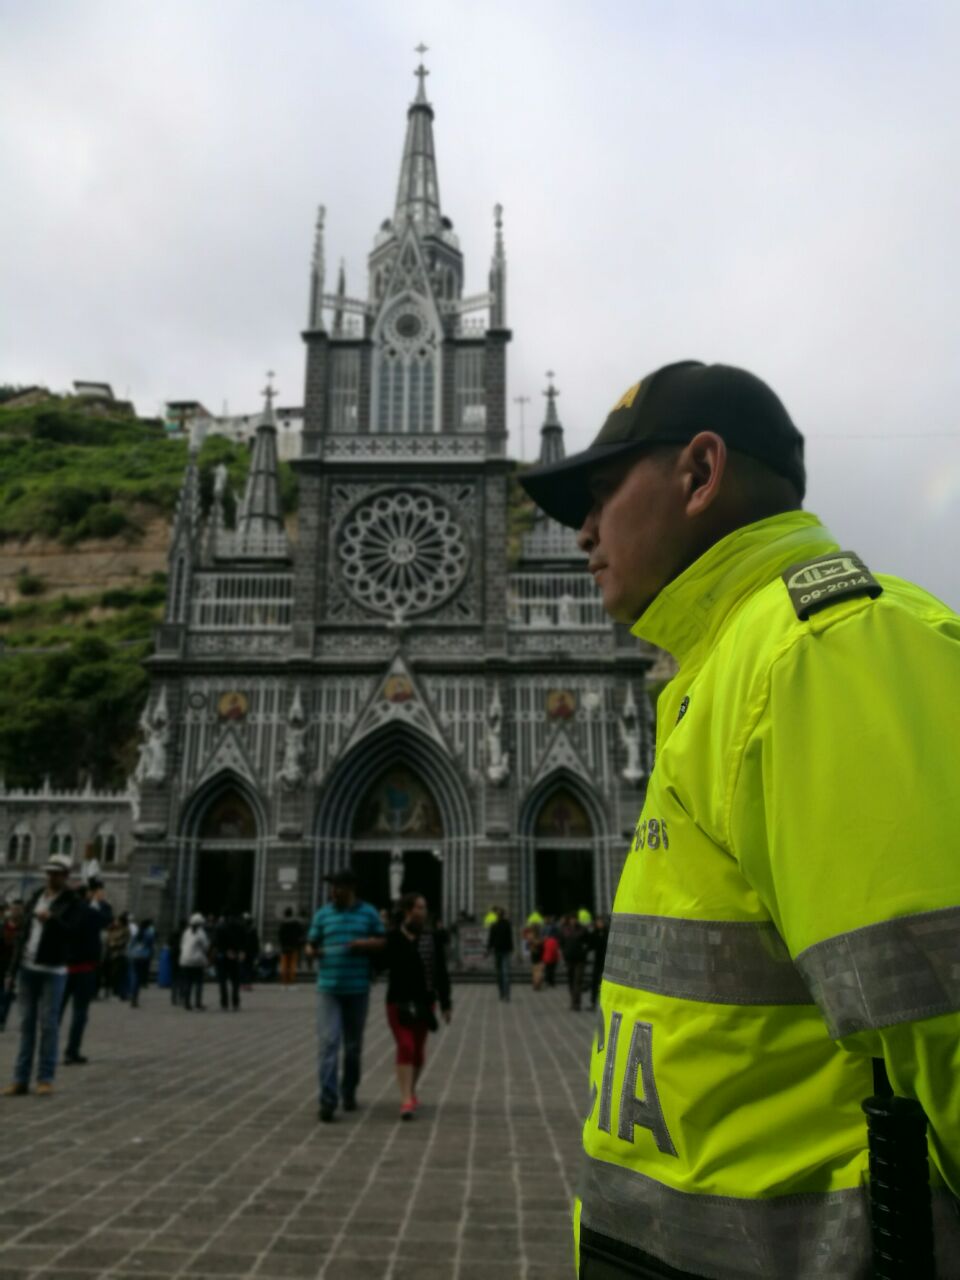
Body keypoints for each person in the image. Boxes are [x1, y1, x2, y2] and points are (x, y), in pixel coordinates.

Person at [520, 359, 960, 1277]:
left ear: (700, 472)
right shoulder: (721, 673)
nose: (583, 534)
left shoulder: (820, 653)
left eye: (601, 496)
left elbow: (944, 1017)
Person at [306, 868, 384, 1123]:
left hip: (357, 989)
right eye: (332, 887)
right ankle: (327, 1100)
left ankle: (348, 1090)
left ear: (350, 888)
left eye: (337, 886)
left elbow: (383, 941)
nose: (333, 891)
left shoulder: (369, 912)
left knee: (352, 1047)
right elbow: (311, 942)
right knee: (328, 1043)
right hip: (328, 989)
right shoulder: (323, 913)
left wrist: (365, 944)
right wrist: (311, 951)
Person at [3, 854, 84, 1096]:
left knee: (48, 1025)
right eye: (49, 872)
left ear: (65, 876)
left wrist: (53, 919)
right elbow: (23, 935)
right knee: (26, 1024)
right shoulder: (37, 896)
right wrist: (12, 971)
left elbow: (74, 932)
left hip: (53, 970)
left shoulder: (73, 901)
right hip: (28, 967)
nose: (51, 877)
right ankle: (20, 1079)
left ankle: (45, 1078)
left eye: (56, 873)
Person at [379, 892, 452, 1120]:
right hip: (398, 1001)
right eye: (420, 907)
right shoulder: (393, 937)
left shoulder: (432, 938)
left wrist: (446, 1003)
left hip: (425, 1002)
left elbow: (441, 972)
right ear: (408, 910)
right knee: (406, 1045)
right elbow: (380, 965)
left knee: (418, 1050)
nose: (424, 911)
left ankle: (410, 1090)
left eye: (425, 907)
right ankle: (405, 1100)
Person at [60, 878, 113, 1063]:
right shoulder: (91, 912)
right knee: (80, 1012)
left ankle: (47, 1050)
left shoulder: (65, 911)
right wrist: (100, 901)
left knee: (56, 1012)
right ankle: (71, 1051)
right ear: (90, 894)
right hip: (84, 968)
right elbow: (107, 919)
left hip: (63, 968)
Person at [213, 913, 246, 1011]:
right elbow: (243, 941)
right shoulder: (240, 927)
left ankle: (224, 1003)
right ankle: (235, 1003)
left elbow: (216, 942)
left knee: (222, 981)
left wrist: (225, 951)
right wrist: (240, 951)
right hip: (235, 956)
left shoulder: (220, 927)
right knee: (235, 981)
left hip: (223, 956)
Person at [0, 901, 24, 1032]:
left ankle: (2, 1020)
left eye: (18, 909)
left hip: (14, 966)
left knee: (7, 994)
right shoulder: (3, 926)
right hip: (1, 964)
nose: (16, 912)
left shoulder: (24, 928)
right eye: (14, 909)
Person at [179, 913, 208, 1010]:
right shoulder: (201, 933)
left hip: (185, 960)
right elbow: (206, 947)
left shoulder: (186, 932)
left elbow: (182, 945)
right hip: (197, 961)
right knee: (199, 983)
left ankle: (187, 1003)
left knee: (188, 982)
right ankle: (198, 1003)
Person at [560, 913, 588, 1012]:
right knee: (571, 981)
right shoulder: (565, 930)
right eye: (571, 919)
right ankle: (573, 1001)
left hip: (580, 959)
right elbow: (561, 943)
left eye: (574, 919)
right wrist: (564, 953)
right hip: (569, 959)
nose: (573, 920)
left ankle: (577, 1003)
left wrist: (584, 951)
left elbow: (588, 942)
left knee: (578, 981)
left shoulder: (582, 930)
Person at [485, 906, 513, 1002]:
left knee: (501, 973)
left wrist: (488, 950)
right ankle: (505, 994)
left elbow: (491, 939)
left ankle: (503, 993)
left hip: (499, 951)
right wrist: (511, 949)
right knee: (504, 973)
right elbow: (509, 938)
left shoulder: (495, 925)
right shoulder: (506, 924)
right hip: (504, 951)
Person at [127, 916, 156, 1009]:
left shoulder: (137, 933)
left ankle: (132, 995)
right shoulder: (149, 934)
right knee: (138, 978)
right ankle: (135, 998)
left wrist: (129, 953)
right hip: (143, 956)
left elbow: (131, 945)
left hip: (134, 955)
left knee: (134, 976)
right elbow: (151, 945)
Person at [278, 908, 304, 988]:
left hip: (284, 947)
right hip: (293, 946)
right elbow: (300, 934)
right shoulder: (296, 923)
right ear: (291, 914)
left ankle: (284, 981)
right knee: (292, 964)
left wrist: (281, 944)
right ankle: (291, 980)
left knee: (284, 964)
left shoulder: (282, 923)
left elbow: (280, 935)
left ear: (285, 914)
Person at [588, 915, 608, 1011]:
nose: (599, 924)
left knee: (603, 983)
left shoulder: (607, 933)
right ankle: (593, 1003)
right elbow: (590, 944)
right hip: (597, 961)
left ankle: (603, 1003)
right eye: (598, 922)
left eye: (601, 922)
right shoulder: (594, 933)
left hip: (605, 962)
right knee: (594, 982)